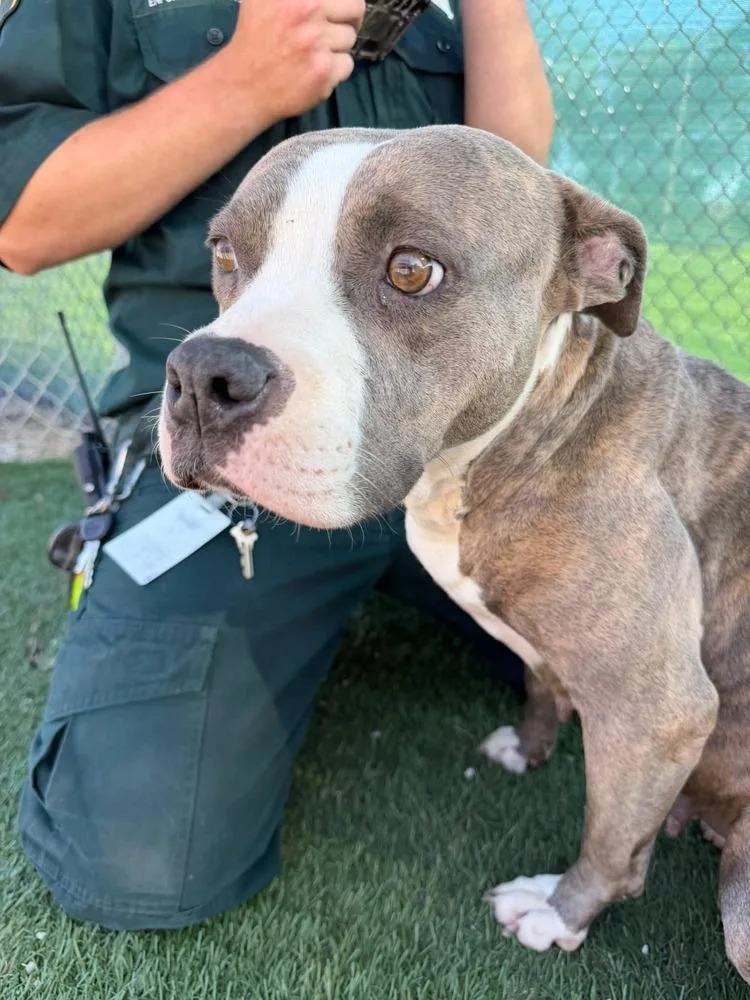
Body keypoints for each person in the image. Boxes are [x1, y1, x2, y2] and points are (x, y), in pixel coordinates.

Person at [0, 0, 554, 931]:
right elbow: (21, 222)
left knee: (673, 644)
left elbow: (514, 191)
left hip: (450, 450)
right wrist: (246, 79)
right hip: (233, 432)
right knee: (142, 864)